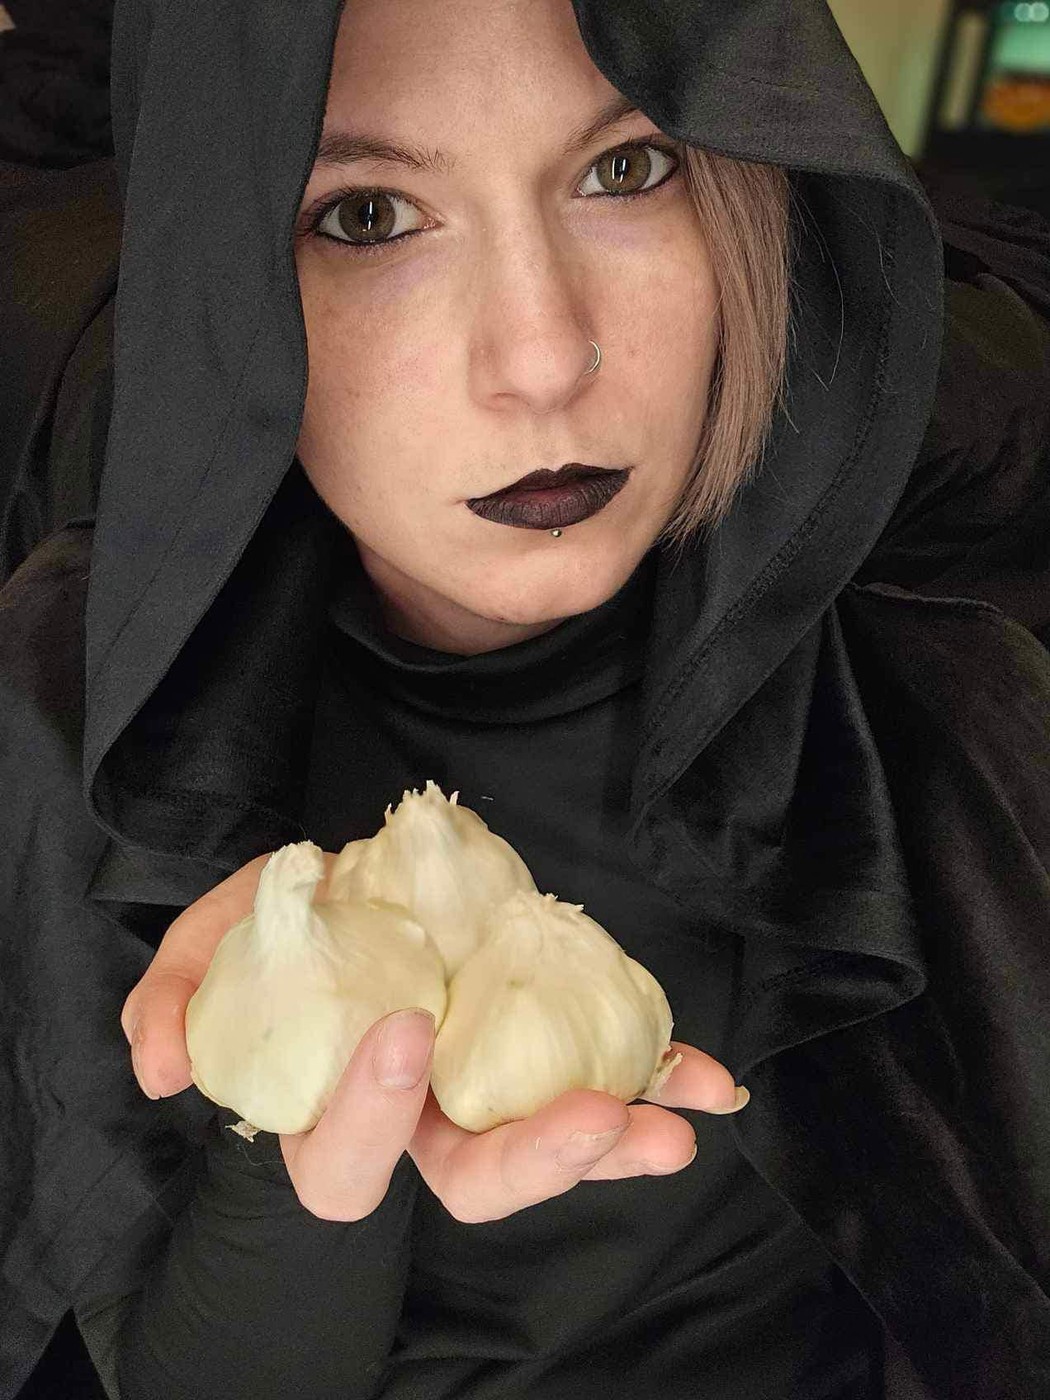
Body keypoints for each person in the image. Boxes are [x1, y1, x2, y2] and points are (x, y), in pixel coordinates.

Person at [0, 0, 1048, 1398]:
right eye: (370, 216)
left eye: (625, 170)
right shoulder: (85, 705)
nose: (544, 357)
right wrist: (300, 1132)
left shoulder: (954, 678)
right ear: (224, 279)